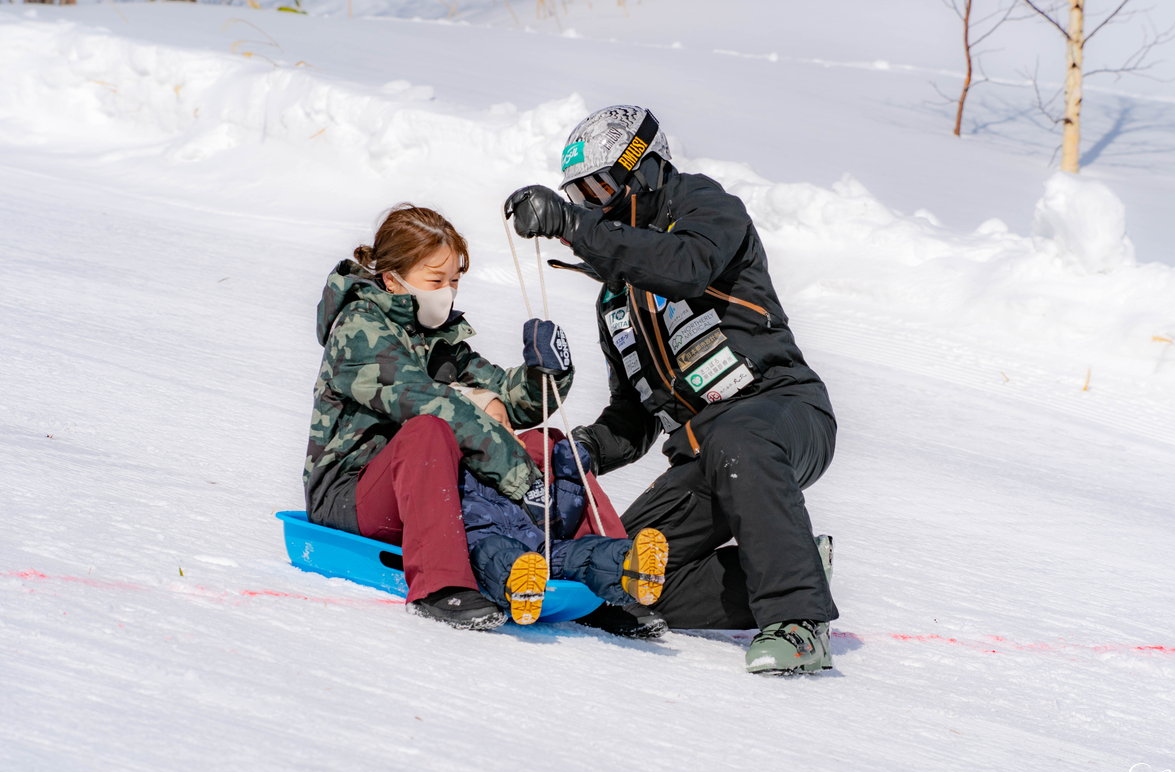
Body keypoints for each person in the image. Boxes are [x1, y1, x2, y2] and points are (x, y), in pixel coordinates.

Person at [504, 106, 839, 675]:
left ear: (646, 170)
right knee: (621, 574)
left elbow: (685, 266)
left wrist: (571, 225)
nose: (595, 204)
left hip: (783, 411)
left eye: (603, 186)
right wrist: (577, 452)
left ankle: (800, 622)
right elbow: (633, 420)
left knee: (737, 436)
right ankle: (794, 557)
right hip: (703, 454)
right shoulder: (615, 300)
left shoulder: (705, 207)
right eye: (581, 196)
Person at [304, 203, 668, 632]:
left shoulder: (436, 332)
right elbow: (423, 401)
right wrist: (518, 476)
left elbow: (506, 399)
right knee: (429, 432)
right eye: (435, 280)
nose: (448, 292)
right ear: (392, 278)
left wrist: (543, 375)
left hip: (425, 482)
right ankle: (440, 585)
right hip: (353, 493)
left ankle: (608, 579)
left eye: (454, 281)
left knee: (548, 446)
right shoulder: (358, 328)